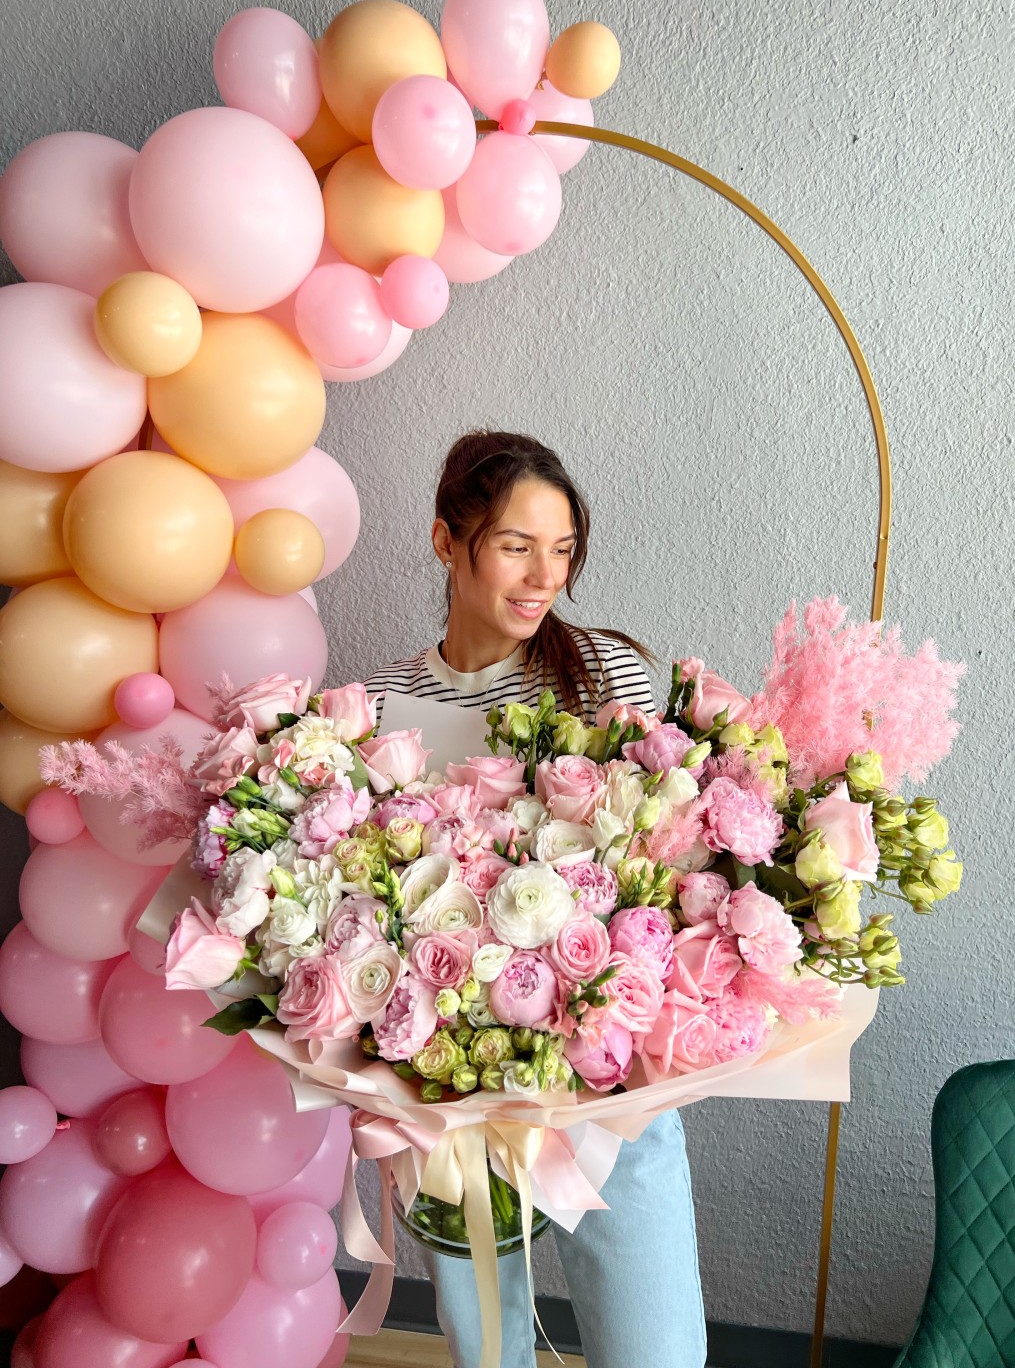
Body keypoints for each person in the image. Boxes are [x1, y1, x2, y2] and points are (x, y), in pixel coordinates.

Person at [364, 430, 708, 1368]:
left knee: (655, 1352)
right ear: (447, 541)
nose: (544, 576)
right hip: (453, 1093)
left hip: (604, 1086)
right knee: (486, 1353)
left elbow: (659, 866)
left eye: (562, 550)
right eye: (516, 546)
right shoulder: (382, 705)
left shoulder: (602, 674)